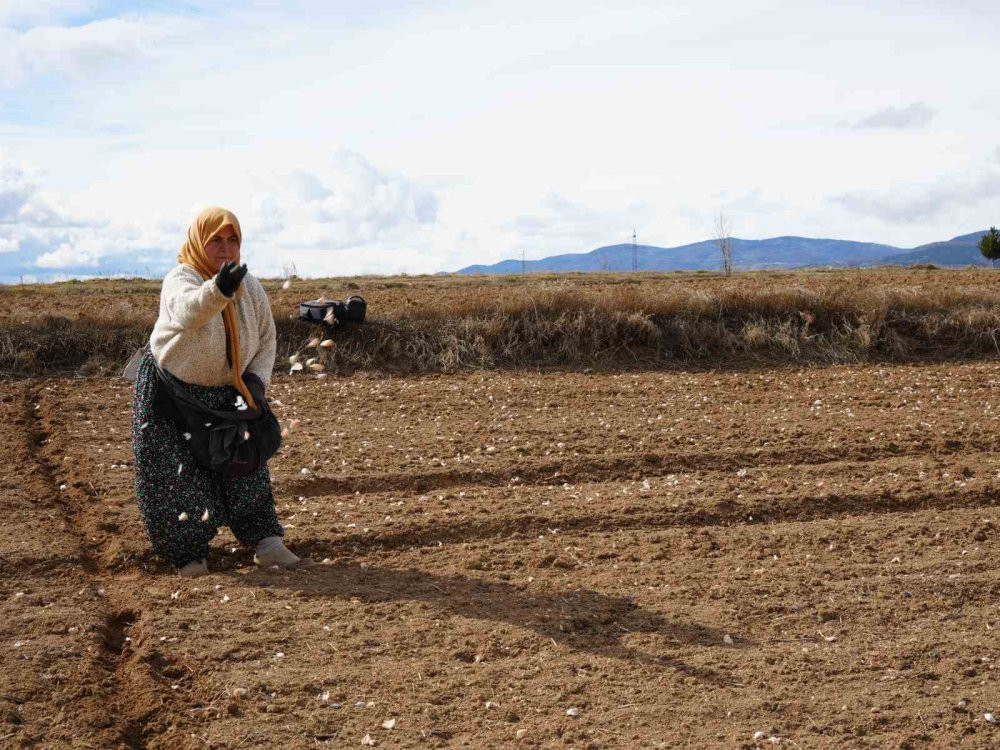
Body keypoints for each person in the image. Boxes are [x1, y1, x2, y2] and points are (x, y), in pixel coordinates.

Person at [131, 206, 310, 576]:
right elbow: (187, 313)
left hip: (231, 391)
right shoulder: (181, 279)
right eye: (216, 240)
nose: (225, 249)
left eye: (232, 240)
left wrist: (257, 383)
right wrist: (218, 290)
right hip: (172, 394)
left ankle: (267, 544)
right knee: (176, 477)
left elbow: (266, 338)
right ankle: (189, 556)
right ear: (199, 242)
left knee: (247, 465)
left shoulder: (252, 287)